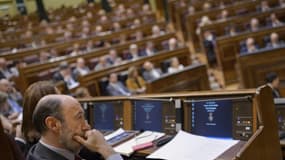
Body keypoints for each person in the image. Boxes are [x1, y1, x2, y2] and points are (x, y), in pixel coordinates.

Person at [27, 94, 123, 160]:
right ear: (53, 125)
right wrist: (105, 148)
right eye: (79, 117)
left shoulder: (63, 147)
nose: (87, 126)